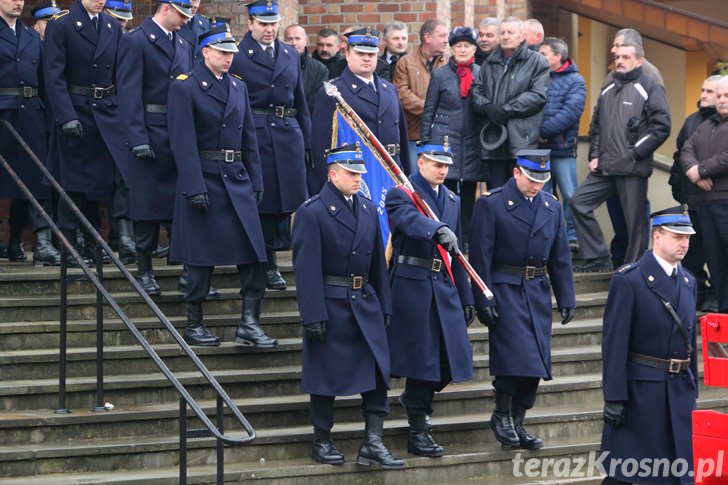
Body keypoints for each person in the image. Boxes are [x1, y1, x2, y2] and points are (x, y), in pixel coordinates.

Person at [291, 144, 404, 470]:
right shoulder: (312, 212)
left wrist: (385, 303)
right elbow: (306, 269)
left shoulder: (368, 209)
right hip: (331, 302)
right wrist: (312, 314)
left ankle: (373, 442)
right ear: (333, 173)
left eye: (360, 174)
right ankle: (322, 439)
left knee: (376, 373)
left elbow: (378, 266)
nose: (358, 179)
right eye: (352, 173)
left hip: (364, 302)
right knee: (325, 377)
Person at [167, 26, 277, 349]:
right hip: (204, 175)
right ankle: (194, 322)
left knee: (255, 255)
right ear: (205, 51)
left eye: (231, 53)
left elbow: (249, 138)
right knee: (200, 257)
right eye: (223, 52)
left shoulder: (238, 87)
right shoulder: (185, 88)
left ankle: (249, 323)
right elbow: (182, 143)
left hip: (236, 175)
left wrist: (256, 180)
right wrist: (193, 186)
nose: (229, 58)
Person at [469, 149, 575, 450]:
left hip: (537, 289)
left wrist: (566, 295)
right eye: (531, 178)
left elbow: (560, 256)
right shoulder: (492, 204)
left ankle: (518, 420)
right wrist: (483, 298)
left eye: (542, 179)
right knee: (516, 356)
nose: (536, 185)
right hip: (505, 287)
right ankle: (501, 414)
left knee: (538, 361)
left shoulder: (551, 206)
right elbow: (481, 256)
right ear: (516, 173)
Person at [385, 138, 475, 458]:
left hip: (445, 283)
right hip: (413, 284)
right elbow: (407, 222)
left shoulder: (451, 198)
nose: (442, 170)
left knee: (452, 361)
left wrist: (467, 296)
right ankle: (418, 428)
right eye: (436, 164)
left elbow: (457, 251)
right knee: (424, 362)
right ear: (420, 162)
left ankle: (413, 401)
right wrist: (435, 229)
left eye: (446, 165)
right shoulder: (401, 193)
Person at [600, 206, 697, 485]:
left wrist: (692, 388)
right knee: (628, 472)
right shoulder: (630, 280)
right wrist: (614, 397)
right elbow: (614, 344)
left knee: (675, 472)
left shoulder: (688, 280)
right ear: (657, 237)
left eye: (687, 238)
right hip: (642, 389)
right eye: (677, 236)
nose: (684, 243)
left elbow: (688, 341)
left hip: (678, 387)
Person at [229, 0, 311, 291]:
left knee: (288, 200)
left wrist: (307, 138)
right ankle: (268, 263)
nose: (269, 29)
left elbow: (300, 99)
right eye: (262, 23)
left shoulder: (289, 53)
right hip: (256, 132)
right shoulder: (237, 54)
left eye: (273, 23)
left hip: (288, 132)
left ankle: (280, 256)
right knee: (264, 200)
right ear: (250, 23)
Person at [570, 41, 671, 272]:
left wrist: (635, 152)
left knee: (635, 224)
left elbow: (661, 127)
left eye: (626, 57)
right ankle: (597, 258)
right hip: (604, 166)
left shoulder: (650, 86)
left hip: (632, 168)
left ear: (639, 61)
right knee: (578, 203)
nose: (620, 61)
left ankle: (632, 271)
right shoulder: (609, 85)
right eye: (617, 57)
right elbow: (596, 125)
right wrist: (594, 154)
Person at [117, 0, 194, 295]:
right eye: (182, 14)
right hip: (150, 128)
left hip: (179, 131)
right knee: (147, 207)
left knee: (183, 203)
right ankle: (145, 270)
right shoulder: (136, 41)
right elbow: (128, 91)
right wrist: (136, 136)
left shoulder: (184, 44)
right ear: (165, 8)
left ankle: (188, 273)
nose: (187, 20)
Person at [44, 0, 128, 266]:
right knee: (73, 183)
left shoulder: (112, 25)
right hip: (76, 109)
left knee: (97, 185)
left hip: (104, 113)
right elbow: (53, 75)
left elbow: (119, 73)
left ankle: (92, 241)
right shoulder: (62, 23)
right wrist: (65, 115)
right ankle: (70, 241)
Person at [0, 0, 61, 266]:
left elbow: (45, 80)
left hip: (31, 113)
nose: (18, 2)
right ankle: (12, 240)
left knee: (36, 177)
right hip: (3, 114)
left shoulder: (29, 34)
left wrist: (50, 120)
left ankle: (42, 241)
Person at [310, 27, 409, 190]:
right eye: (360, 54)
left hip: (393, 174)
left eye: (371, 54)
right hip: (357, 177)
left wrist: (406, 176)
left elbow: (402, 139)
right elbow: (322, 146)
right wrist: (329, 188)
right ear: (347, 54)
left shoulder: (389, 89)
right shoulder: (334, 92)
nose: (366, 59)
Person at [604, 28, 664, 267]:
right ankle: (620, 258)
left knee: (634, 215)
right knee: (616, 210)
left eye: (617, 46)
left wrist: (633, 152)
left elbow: (656, 122)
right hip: (611, 159)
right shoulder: (614, 73)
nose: (613, 51)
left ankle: (635, 263)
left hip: (632, 161)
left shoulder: (650, 76)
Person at [421, 26, 482, 247]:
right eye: (458, 46)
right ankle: (446, 234)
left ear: (474, 49)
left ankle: (466, 239)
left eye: (467, 46)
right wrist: (425, 141)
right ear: (452, 49)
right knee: (445, 192)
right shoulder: (440, 75)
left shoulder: (480, 73)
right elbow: (429, 109)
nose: (463, 50)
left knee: (468, 195)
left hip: (472, 142)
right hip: (445, 139)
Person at [470, 16, 549, 189]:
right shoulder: (488, 63)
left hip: (522, 140)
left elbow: (537, 96)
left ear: (522, 36)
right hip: (494, 139)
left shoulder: (537, 62)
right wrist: (487, 107)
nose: (506, 36)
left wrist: (505, 110)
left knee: (520, 194)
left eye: (510, 32)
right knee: (496, 195)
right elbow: (476, 91)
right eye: (502, 32)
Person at [669, 75, 721, 312]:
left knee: (718, 255)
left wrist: (700, 171)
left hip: (719, 200)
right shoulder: (694, 123)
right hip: (693, 200)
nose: (705, 95)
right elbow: (682, 153)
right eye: (704, 90)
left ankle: (717, 301)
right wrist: (690, 177)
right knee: (692, 254)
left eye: (711, 92)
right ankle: (698, 295)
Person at [680, 76, 728, 313]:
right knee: (715, 261)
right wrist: (692, 170)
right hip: (705, 204)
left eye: (726, 96)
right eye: (719, 96)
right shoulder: (705, 125)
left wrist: (701, 169)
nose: (721, 100)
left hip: (725, 202)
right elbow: (687, 149)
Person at [538, 37, 585, 253]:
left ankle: (572, 237)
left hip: (563, 149)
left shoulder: (576, 80)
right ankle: (547, 236)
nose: (539, 57)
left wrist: (543, 130)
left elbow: (571, 113)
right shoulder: (537, 76)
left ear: (557, 57)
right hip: (539, 149)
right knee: (543, 194)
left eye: (544, 54)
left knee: (569, 195)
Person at [393, 19, 449, 174]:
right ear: (428, 37)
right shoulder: (405, 63)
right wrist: (430, 110)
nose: (446, 40)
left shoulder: (449, 64)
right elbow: (402, 95)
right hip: (414, 135)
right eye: (442, 36)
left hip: (441, 135)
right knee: (415, 179)